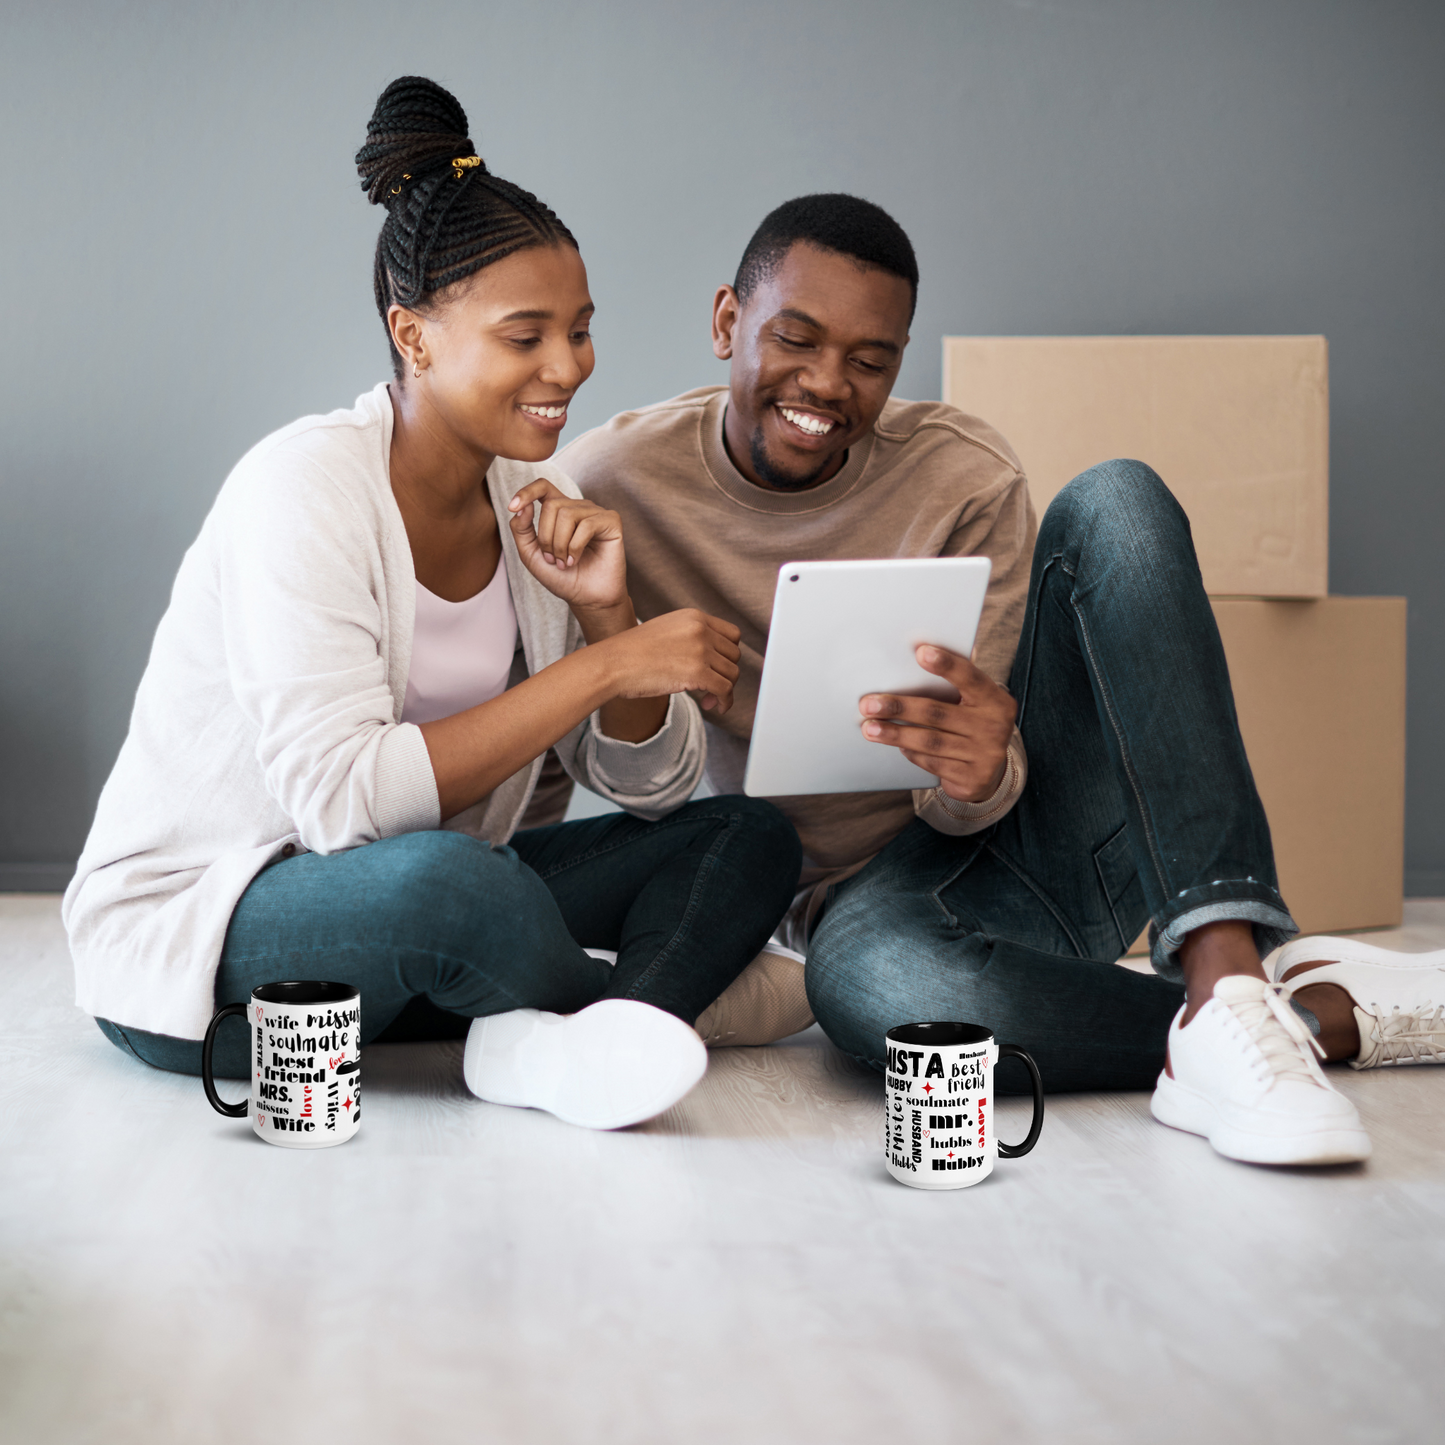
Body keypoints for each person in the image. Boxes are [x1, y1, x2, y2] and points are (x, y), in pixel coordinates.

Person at [558, 192, 1444, 1165]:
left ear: (898, 358)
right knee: (869, 993)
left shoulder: (960, 476)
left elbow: (982, 793)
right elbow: (620, 777)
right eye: (795, 339)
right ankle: (1284, 1020)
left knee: (1116, 499)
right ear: (728, 319)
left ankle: (1224, 966)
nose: (825, 384)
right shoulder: (609, 484)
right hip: (835, 913)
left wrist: (979, 770)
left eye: (868, 359)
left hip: (1005, 863)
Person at [62, 77, 801, 1132]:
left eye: (580, 331)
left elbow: (650, 788)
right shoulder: (303, 486)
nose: (567, 368)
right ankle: (652, 1005)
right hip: (214, 943)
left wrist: (603, 614)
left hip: (420, 914)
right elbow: (344, 804)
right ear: (413, 337)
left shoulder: (535, 504)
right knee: (451, 891)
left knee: (743, 838)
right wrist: (611, 665)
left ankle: (565, 1026)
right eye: (525, 335)